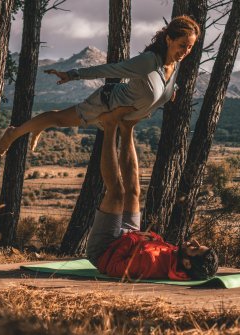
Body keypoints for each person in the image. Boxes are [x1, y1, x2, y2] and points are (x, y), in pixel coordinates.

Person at [0, 15, 200, 155]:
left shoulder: (174, 64)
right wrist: (72, 74)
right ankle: (14, 132)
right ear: (168, 39)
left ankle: (38, 126)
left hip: (120, 117)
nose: (185, 51)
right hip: (106, 103)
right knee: (58, 119)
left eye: (190, 47)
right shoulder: (148, 61)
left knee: (59, 119)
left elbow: (161, 84)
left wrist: (172, 90)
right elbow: (110, 70)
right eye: (182, 45)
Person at [86, 112, 218, 281]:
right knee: (134, 192)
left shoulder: (151, 265)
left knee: (117, 193)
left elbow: (111, 267)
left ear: (187, 264)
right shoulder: (175, 256)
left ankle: (109, 127)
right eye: (199, 245)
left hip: (106, 248)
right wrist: (142, 237)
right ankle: (127, 128)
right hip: (130, 237)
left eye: (195, 249)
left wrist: (134, 238)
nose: (194, 242)